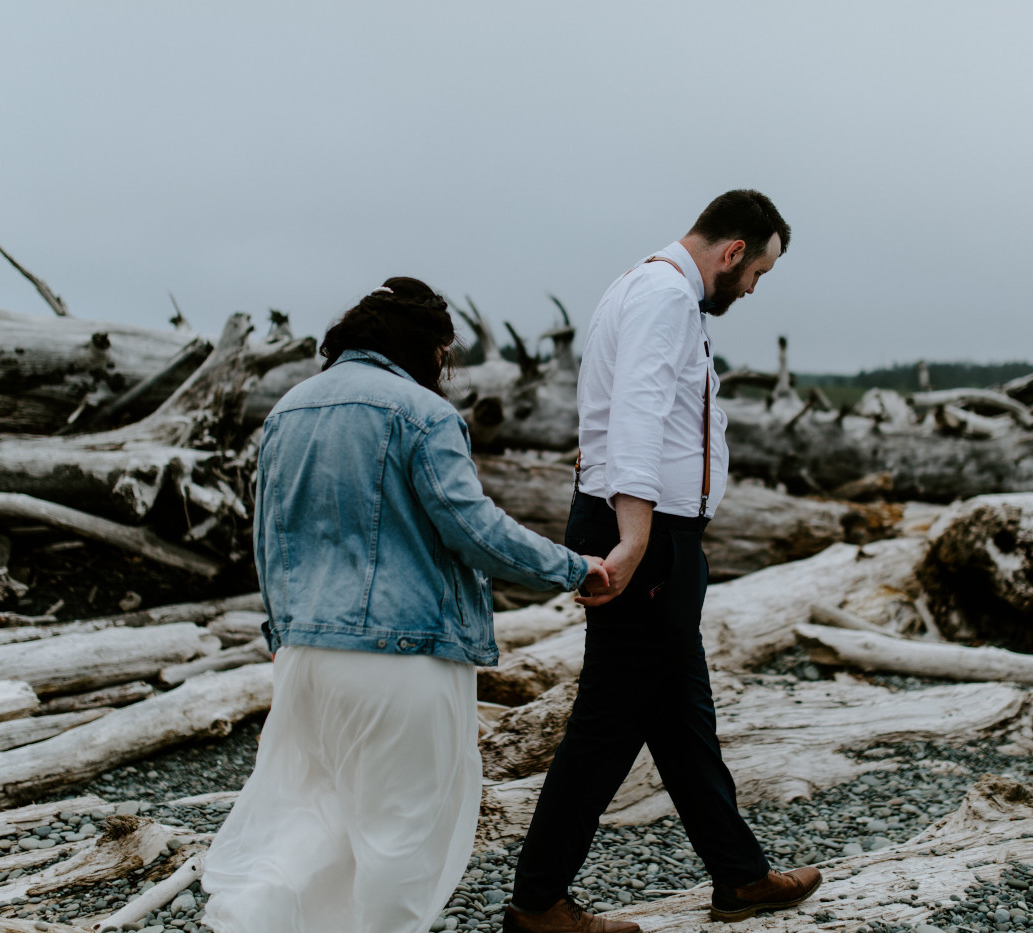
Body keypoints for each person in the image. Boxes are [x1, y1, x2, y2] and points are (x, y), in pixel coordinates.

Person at [201, 277, 609, 933]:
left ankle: (253, 921)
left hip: (304, 654)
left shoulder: (290, 408)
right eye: (446, 355)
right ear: (427, 347)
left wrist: (282, 629)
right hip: (401, 655)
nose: (445, 369)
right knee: (401, 834)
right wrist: (571, 568)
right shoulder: (422, 413)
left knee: (314, 812)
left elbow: (269, 535)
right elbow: (473, 528)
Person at [504, 191, 820, 933]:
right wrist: (637, 536)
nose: (750, 290)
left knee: (682, 715)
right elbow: (640, 410)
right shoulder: (666, 297)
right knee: (609, 719)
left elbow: (618, 412)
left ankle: (738, 876)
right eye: (757, 273)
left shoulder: (644, 288)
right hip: (645, 535)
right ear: (733, 250)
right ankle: (538, 900)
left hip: (648, 528)